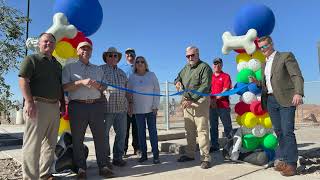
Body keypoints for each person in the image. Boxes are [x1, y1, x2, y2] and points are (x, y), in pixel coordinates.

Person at [250, 36, 304, 176]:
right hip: (270, 100)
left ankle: (292, 164)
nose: (263, 49)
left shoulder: (285, 56)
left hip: (286, 99)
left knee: (287, 131)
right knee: (279, 131)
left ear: (271, 44)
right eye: (260, 48)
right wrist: (257, 82)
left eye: (265, 46)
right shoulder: (264, 64)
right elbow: (268, 84)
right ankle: (285, 160)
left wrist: (298, 92)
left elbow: (296, 75)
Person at [62, 40, 114, 179]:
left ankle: (103, 166)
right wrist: (81, 82)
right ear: (78, 51)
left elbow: (104, 86)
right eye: (83, 49)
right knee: (78, 139)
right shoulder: (69, 68)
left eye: (89, 49)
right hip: (77, 106)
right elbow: (65, 87)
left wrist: (99, 86)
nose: (86, 51)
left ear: (91, 52)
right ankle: (81, 169)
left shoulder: (98, 69)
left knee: (100, 138)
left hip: (96, 106)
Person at [19, 33, 64, 180]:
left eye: (52, 42)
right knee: (33, 145)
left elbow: (60, 87)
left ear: (54, 45)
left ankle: (45, 174)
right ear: (39, 43)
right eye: (45, 41)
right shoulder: (31, 59)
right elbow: (23, 80)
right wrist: (29, 102)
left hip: (54, 107)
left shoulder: (57, 65)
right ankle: (30, 177)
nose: (48, 44)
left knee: (50, 144)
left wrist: (62, 105)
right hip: (37, 105)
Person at [174, 46, 212, 169]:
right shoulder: (185, 68)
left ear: (198, 54)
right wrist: (177, 82)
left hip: (200, 101)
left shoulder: (204, 67)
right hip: (186, 102)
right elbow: (177, 78)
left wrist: (192, 99)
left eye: (192, 55)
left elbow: (205, 86)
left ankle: (205, 158)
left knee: (202, 130)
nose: (190, 58)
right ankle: (190, 154)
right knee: (189, 130)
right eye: (188, 56)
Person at [127, 56, 161, 164]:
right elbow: (128, 92)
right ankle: (144, 155)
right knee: (140, 133)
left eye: (142, 62)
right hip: (138, 110)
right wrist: (130, 106)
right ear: (135, 65)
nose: (140, 63)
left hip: (151, 110)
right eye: (138, 62)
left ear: (145, 64)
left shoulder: (151, 75)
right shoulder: (132, 77)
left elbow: (157, 90)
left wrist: (155, 106)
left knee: (153, 133)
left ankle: (156, 155)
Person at [100, 47, 128, 167]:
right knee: (104, 135)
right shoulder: (100, 70)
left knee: (122, 134)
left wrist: (130, 104)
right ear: (106, 57)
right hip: (106, 109)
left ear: (118, 58)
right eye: (110, 55)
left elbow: (127, 90)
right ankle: (105, 159)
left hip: (122, 108)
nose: (112, 57)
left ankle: (118, 157)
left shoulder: (122, 72)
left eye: (115, 55)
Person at [118, 48, 140, 157]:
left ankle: (137, 148)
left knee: (137, 127)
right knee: (124, 128)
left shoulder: (139, 66)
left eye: (132, 54)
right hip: (124, 102)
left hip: (138, 103)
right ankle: (123, 149)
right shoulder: (120, 68)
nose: (130, 56)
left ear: (135, 55)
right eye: (127, 54)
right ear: (125, 56)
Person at [209, 58, 233, 152]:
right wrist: (211, 101)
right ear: (213, 65)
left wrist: (216, 99)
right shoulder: (209, 77)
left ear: (222, 65)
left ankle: (230, 146)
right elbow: (207, 90)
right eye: (215, 64)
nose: (217, 66)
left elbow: (226, 89)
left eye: (219, 64)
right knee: (213, 127)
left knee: (227, 127)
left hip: (223, 106)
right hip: (211, 106)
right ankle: (215, 146)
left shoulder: (226, 76)